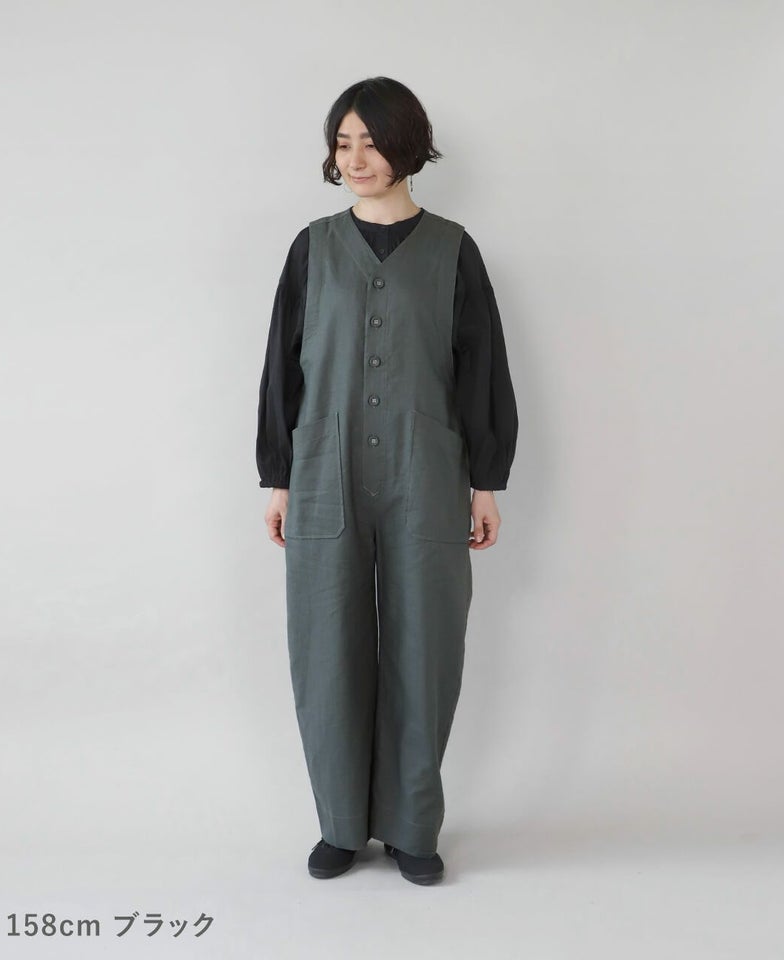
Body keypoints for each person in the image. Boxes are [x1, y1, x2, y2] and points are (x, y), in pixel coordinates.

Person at [256, 76, 518, 885]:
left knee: (425, 645)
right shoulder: (311, 248)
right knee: (325, 645)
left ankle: (411, 828)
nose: (356, 158)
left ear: (407, 145)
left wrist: (486, 481)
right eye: (343, 143)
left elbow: (481, 370)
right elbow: (281, 371)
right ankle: (340, 825)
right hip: (323, 471)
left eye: (370, 141)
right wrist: (278, 479)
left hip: (427, 470)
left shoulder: (453, 250)